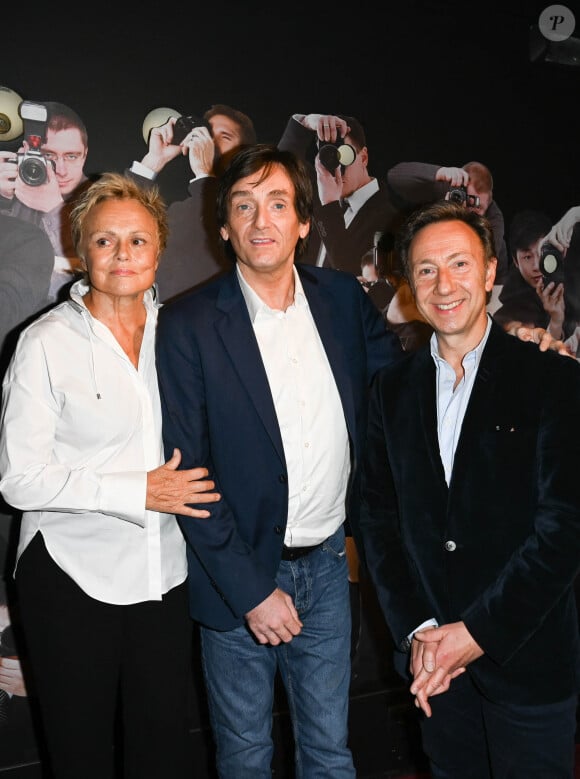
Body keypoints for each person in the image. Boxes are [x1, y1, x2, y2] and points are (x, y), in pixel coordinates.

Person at [155, 143, 405, 777]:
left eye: (277, 204)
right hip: (236, 577)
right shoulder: (186, 324)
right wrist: (251, 591)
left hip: (324, 569)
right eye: (244, 206)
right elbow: (187, 475)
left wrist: (490, 343)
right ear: (223, 227)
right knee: (244, 756)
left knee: (330, 751)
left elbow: (403, 395)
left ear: (301, 222)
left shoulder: (344, 301)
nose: (261, 221)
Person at [0, 172, 221, 779]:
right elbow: (19, 479)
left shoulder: (185, 335)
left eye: (138, 241)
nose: (122, 255)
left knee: (161, 752)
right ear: (80, 250)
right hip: (71, 574)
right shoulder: (44, 343)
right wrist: (137, 490)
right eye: (104, 241)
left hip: (166, 575)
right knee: (81, 756)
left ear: (159, 249)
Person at [358, 200, 580, 778]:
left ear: (488, 274)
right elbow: (378, 522)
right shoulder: (389, 390)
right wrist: (422, 634)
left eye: (459, 264)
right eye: (426, 269)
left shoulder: (551, 376)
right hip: (435, 667)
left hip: (527, 660)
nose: (444, 284)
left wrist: (477, 633)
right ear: (409, 285)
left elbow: (564, 530)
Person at [129, 103, 257, 302]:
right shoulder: (183, 210)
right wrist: (153, 161)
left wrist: (206, 177)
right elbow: (121, 225)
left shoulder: (253, 209)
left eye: (224, 137)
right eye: (206, 134)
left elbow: (214, 246)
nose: (210, 142)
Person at [278, 112, 403, 277]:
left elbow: (350, 271)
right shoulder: (318, 192)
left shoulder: (391, 221)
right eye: (329, 155)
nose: (336, 166)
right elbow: (278, 171)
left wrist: (329, 204)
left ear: (363, 157)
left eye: (345, 156)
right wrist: (304, 122)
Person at [0, 100, 93, 303]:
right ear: (27, 151)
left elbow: (94, 276)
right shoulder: (14, 188)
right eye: (49, 156)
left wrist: (54, 209)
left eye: (71, 156)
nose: (61, 170)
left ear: (84, 155)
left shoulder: (103, 201)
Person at [386, 159, 509, 285]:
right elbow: (394, 176)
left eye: (479, 207)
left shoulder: (494, 216)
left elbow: (484, 258)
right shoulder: (449, 191)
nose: (470, 211)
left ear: (489, 202)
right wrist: (439, 172)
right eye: (469, 201)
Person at [494, 206, 580, 349]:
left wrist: (575, 214)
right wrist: (556, 321)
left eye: (542, 253)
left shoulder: (572, 284)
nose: (536, 265)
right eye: (527, 257)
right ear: (516, 262)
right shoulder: (508, 314)